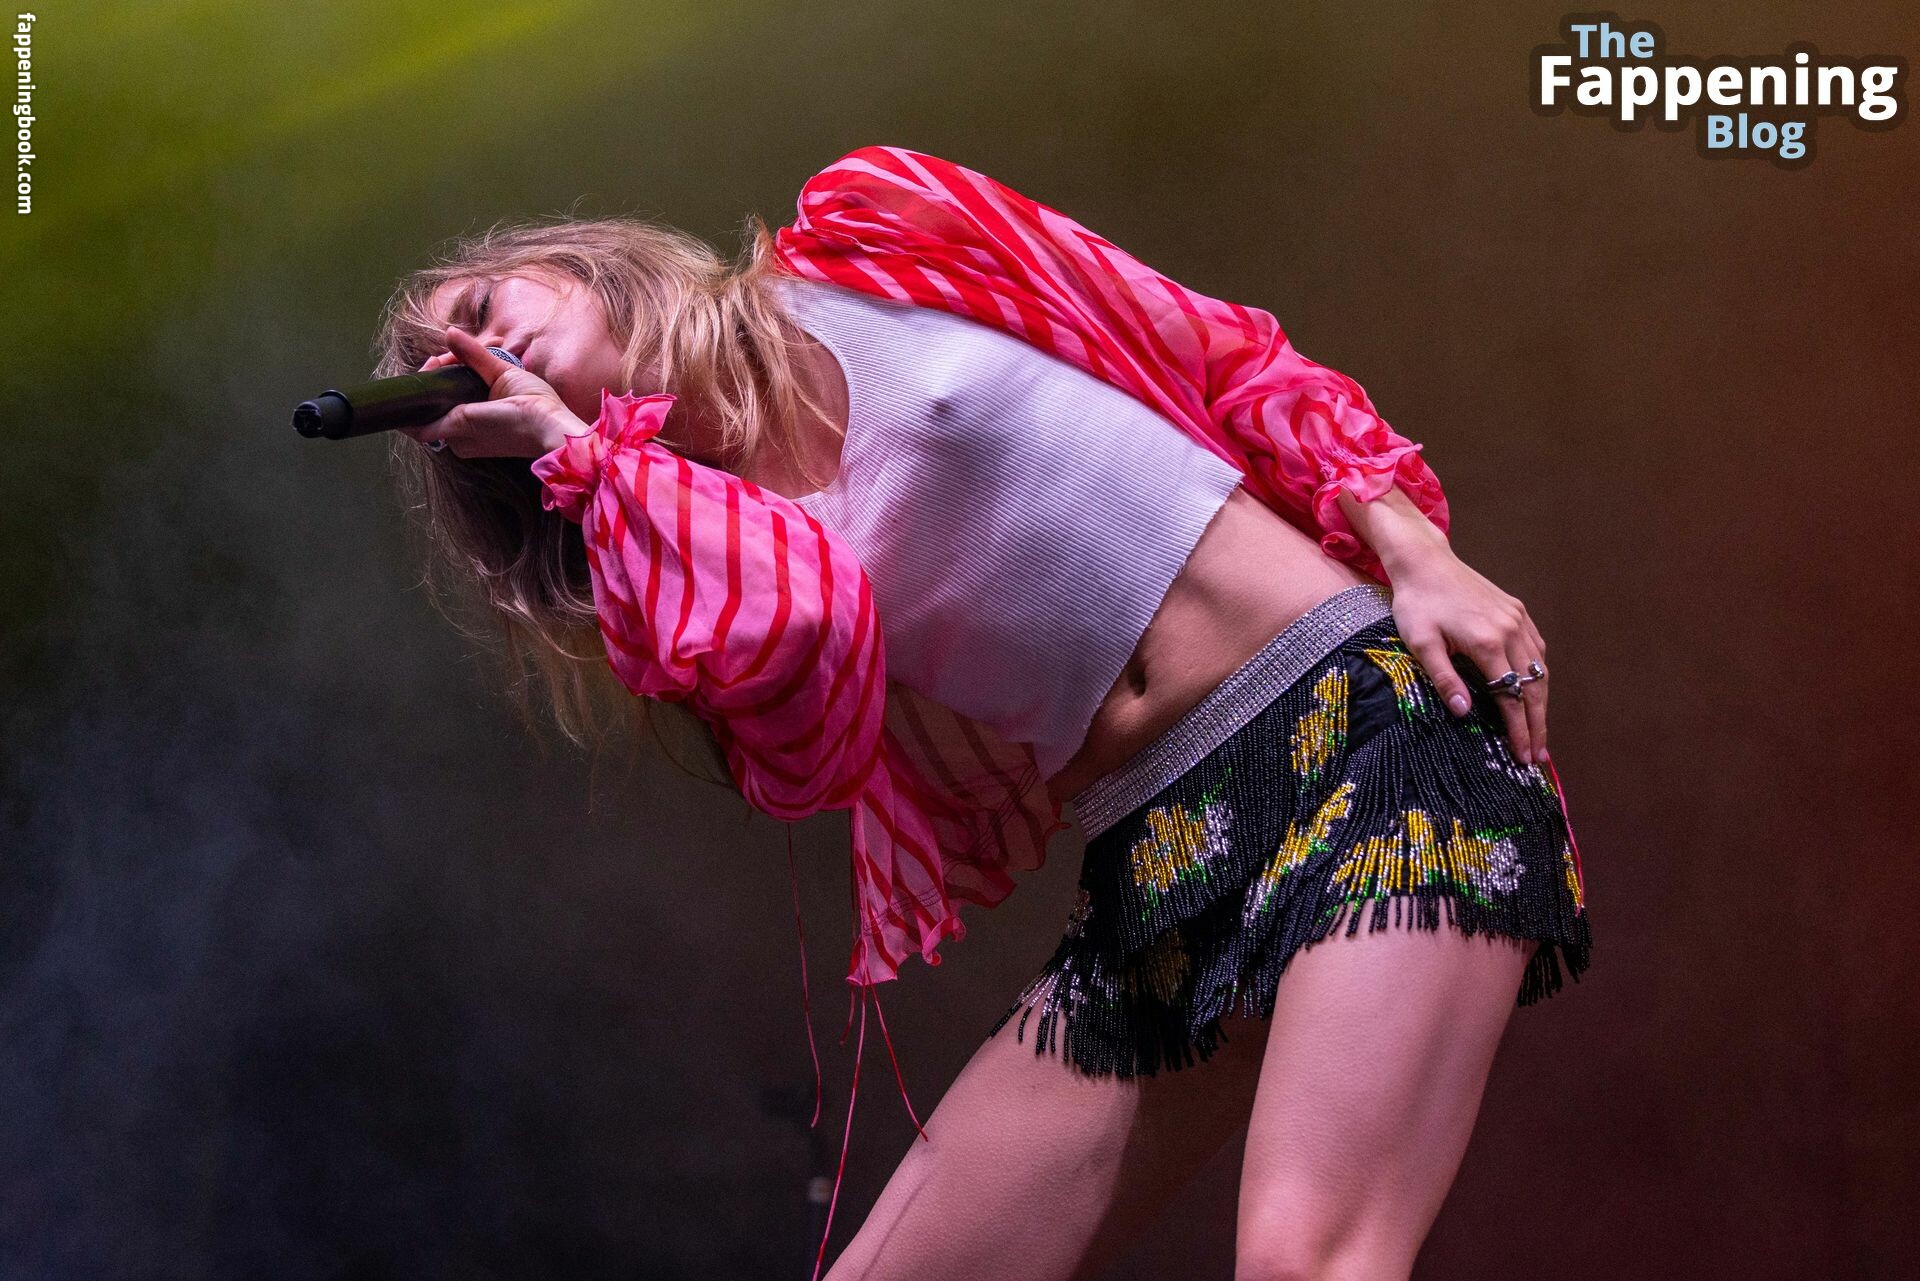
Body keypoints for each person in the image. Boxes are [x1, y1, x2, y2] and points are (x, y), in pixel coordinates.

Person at [371, 145, 1590, 1281]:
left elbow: (1220, 349)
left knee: (1305, 1261)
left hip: (1369, 727)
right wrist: (590, 464)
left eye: (477, 304)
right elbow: (807, 664)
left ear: (567, 261)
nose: (476, 340)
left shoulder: (867, 229)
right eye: (446, 366)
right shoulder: (680, 564)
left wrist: (1417, 551)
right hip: (1160, 848)